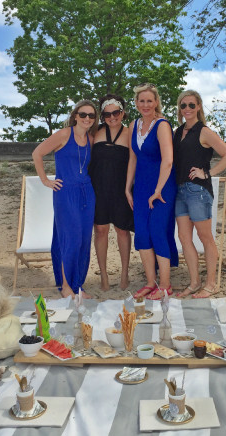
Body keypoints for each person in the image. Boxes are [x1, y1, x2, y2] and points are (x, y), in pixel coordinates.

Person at [32, 100, 98, 298]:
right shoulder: (64, 134)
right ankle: (66, 286)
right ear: (75, 116)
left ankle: (78, 284)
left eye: (91, 116)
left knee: (84, 240)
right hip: (65, 192)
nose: (87, 118)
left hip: (87, 192)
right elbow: (37, 153)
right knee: (70, 238)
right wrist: (45, 180)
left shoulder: (91, 140)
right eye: (83, 114)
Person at [173, 90, 226, 298]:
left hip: (197, 191)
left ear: (198, 107)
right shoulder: (177, 131)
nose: (187, 109)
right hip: (179, 190)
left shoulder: (204, 132)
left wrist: (207, 173)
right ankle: (194, 282)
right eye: (183, 105)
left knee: (205, 237)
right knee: (183, 237)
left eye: (191, 105)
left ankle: (210, 284)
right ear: (179, 109)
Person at [126, 83, 178, 300]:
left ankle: (165, 285)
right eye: (141, 101)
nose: (145, 105)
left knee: (158, 232)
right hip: (141, 187)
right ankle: (150, 282)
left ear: (156, 102)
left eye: (149, 100)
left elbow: (168, 160)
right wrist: (128, 187)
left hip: (162, 186)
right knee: (142, 234)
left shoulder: (162, 125)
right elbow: (133, 158)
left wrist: (157, 190)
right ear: (136, 103)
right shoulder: (133, 125)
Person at [88, 94, 134, 291]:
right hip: (98, 190)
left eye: (116, 112)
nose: (112, 117)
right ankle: (104, 276)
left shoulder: (130, 132)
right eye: (107, 114)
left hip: (121, 190)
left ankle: (124, 274)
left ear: (122, 113)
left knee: (122, 231)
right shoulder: (94, 132)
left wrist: (129, 188)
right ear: (102, 116)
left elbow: (135, 160)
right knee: (100, 231)